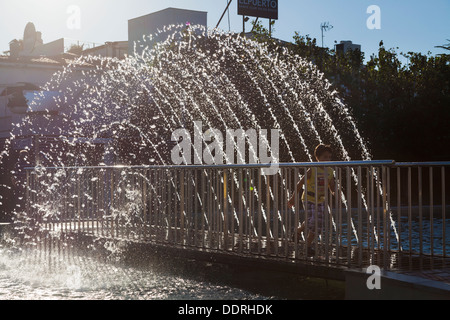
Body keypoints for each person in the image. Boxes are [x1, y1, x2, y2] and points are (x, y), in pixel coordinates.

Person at [288, 144, 336, 256]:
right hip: (308, 198)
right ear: (317, 158)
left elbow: (332, 186)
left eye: (329, 157)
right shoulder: (312, 170)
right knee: (314, 221)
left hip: (321, 200)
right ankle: (304, 240)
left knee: (316, 223)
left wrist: (336, 193)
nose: (328, 160)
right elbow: (299, 184)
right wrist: (293, 198)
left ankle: (303, 239)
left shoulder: (330, 171)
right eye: (325, 157)